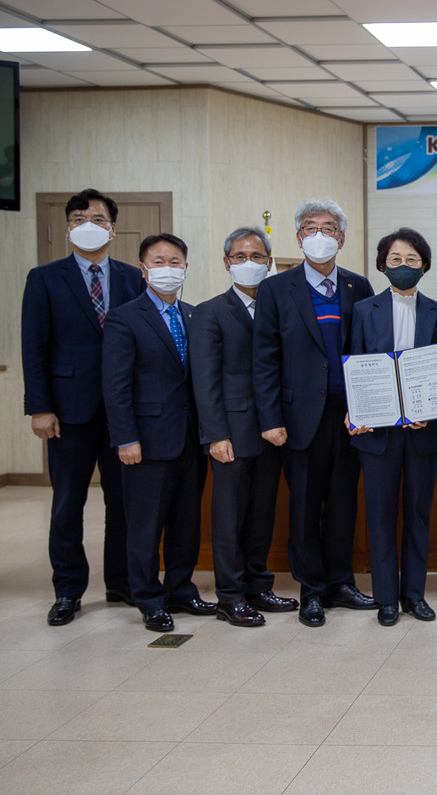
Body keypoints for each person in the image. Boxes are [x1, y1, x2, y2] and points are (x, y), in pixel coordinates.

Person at [22, 189, 143, 626]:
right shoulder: (44, 278)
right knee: (67, 503)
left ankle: (123, 581)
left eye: (97, 217)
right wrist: (40, 407)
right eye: (78, 217)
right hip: (68, 412)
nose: (87, 224)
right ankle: (69, 589)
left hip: (124, 413)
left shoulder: (134, 277)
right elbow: (33, 347)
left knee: (124, 503)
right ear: (69, 227)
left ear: (113, 227)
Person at [253, 199, 376, 628]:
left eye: (328, 228)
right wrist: (270, 418)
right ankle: (311, 590)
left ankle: (341, 581)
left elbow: (369, 351)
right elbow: (264, 358)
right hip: (298, 416)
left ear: (341, 238)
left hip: (351, 416)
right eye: (310, 227)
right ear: (299, 237)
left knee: (343, 502)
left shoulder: (358, 287)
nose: (319, 235)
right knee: (304, 505)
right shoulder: (274, 288)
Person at [102, 234, 214, 632]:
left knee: (186, 523)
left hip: (190, 439)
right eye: (159, 260)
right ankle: (148, 598)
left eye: (176, 261)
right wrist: (125, 438)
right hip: (146, 441)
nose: (169, 268)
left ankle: (181, 589)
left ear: (185, 267)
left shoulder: (193, 314)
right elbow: (115, 386)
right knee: (145, 525)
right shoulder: (124, 317)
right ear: (143, 267)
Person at [189, 227, 297, 628]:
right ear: (226, 263)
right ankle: (230, 596)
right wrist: (215, 435)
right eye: (239, 256)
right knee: (229, 518)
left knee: (262, 514)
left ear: (269, 262)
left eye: (256, 256)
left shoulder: (278, 307)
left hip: (272, 432)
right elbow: (205, 380)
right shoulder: (210, 312)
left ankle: (258, 585)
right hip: (230, 435)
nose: (248, 263)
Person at [348, 229, 437, 626]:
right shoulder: (363, 310)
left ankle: (414, 595)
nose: (404, 266)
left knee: (418, 514)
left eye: (412, 260)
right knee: (379, 514)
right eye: (396, 259)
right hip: (377, 431)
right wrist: (354, 410)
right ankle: (386, 598)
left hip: (425, 431)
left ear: (424, 265)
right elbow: (354, 365)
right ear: (382, 264)